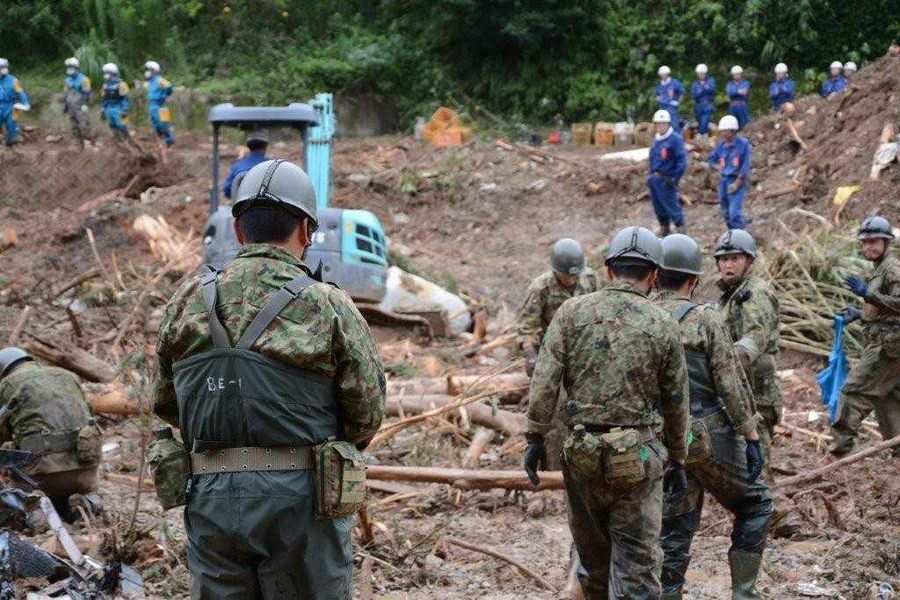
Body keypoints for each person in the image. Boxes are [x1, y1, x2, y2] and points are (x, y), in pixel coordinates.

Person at [152, 159, 386, 598]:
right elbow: (365, 415)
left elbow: (166, 402)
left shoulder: (186, 301)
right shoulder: (328, 305)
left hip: (210, 497)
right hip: (302, 503)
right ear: (305, 230)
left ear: (238, 230)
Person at [525, 226, 690, 599]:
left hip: (581, 454)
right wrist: (679, 457)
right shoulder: (662, 322)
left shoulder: (570, 314)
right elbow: (678, 400)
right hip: (639, 458)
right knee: (637, 567)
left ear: (610, 270)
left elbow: (544, 381)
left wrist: (534, 437)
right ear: (653, 275)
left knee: (594, 564)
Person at [654, 234, 773, 600]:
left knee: (675, 525)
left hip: (658, 439)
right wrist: (750, 436)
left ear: (656, 275)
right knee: (756, 504)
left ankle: (669, 593)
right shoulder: (705, 318)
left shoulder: (642, 317)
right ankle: (744, 593)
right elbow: (731, 384)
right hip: (706, 433)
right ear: (692, 280)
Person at [0, 348, 101, 518]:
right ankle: (85, 502)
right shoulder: (68, 376)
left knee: (9, 457)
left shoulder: (7, 385)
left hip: (40, 478)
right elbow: (88, 414)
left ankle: (34, 511)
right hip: (86, 474)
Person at [829, 216, 900, 457]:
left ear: (886, 242)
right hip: (886, 345)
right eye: (865, 242)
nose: (869, 247)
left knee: (853, 391)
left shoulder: (892, 269)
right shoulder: (880, 268)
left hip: (887, 348)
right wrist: (860, 313)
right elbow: (886, 309)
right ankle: (896, 447)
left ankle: (842, 446)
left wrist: (867, 294)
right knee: (886, 397)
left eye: (874, 242)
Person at [713, 230, 782, 477]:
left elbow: (755, 337)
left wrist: (720, 365)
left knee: (758, 468)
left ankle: (771, 513)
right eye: (723, 259)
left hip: (756, 393)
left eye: (735, 258)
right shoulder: (731, 295)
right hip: (740, 389)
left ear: (749, 261)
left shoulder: (755, 292)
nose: (728, 264)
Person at [706, 115, 751, 230]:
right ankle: (732, 236)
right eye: (722, 131)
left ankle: (742, 237)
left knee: (734, 213)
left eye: (726, 131)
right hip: (723, 181)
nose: (723, 134)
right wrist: (716, 168)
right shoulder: (721, 146)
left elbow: (745, 166)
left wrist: (737, 182)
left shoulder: (743, 144)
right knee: (725, 212)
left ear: (733, 130)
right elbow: (711, 159)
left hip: (736, 180)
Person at [648, 110, 688, 236]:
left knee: (672, 207)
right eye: (658, 124)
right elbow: (652, 159)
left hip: (667, 179)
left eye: (663, 124)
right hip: (654, 179)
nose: (661, 126)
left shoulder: (675, 139)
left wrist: (675, 178)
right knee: (658, 207)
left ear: (668, 124)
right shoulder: (656, 140)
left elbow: (681, 161)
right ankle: (664, 230)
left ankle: (681, 233)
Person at [224, 132, 271, 199]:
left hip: (240, 208)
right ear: (265, 147)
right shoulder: (273, 166)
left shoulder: (236, 166)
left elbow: (227, 191)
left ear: (248, 147)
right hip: (268, 208)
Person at [63, 57, 93, 148]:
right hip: (71, 106)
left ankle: (88, 143)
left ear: (76, 68)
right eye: (68, 67)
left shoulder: (84, 79)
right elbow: (66, 93)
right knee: (74, 125)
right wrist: (65, 106)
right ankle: (78, 145)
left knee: (83, 123)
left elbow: (87, 93)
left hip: (80, 106)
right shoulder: (67, 80)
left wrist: (85, 104)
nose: (69, 69)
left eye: (71, 67)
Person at [0, 58, 30, 148]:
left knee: (11, 125)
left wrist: (26, 103)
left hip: (10, 105)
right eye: (1, 67)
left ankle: (10, 143)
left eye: (4, 67)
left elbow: (20, 92)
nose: (3, 69)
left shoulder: (13, 80)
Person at [144, 60, 174, 148]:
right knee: (155, 125)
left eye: (149, 70)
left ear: (154, 70)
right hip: (152, 105)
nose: (147, 72)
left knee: (163, 124)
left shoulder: (159, 80)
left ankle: (169, 141)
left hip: (160, 105)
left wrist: (165, 94)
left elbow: (169, 87)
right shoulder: (150, 82)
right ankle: (161, 142)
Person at [100, 63, 131, 140]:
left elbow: (125, 98)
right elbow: (104, 99)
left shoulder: (121, 84)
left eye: (107, 73)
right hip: (109, 108)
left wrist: (125, 109)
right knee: (112, 125)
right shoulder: (105, 85)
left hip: (119, 107)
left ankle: (128, 141)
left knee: (122, 125)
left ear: (113, 73)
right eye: (105, 73)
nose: (106, 75)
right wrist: (103, 109)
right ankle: (117, 143)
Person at [690, 63, 716, 141]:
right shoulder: (695, 83)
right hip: (698, 105)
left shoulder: (711, 80)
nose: (701, 75)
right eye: (699, 74)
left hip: (707, 104)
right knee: (700, 121)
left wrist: (701, 90)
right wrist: (705, 89)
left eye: (703, 73)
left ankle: (701, 135)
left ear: (705, 73)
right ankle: (703, 135)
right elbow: (694, 94)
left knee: (705, 120)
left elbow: (711, 90)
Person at [726, 65, 751, 130]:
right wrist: (738, 91)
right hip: (733, 106)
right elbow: (729, 93)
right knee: (733, 124)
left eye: (738, 74)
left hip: (742, 105)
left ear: (741, 74)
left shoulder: (745, 83)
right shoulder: (729, 84)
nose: (737, 76)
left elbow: (745, 92)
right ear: (733, 75)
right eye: (735, 74)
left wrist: (734, 92)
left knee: (744, 124)